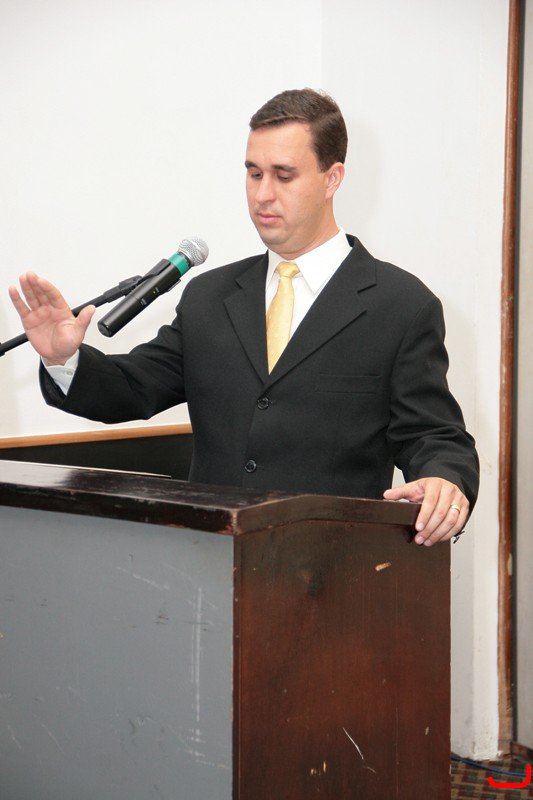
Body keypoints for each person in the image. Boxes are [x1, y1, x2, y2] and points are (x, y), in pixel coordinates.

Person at [9, 88, 479, 547]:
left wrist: (444, 481)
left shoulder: (401, 305)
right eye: (254, 174)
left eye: (283, 175)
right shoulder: (210, 296)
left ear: (332, 178)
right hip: (210, 561)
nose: (262, 195)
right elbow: (133, 387)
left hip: (333, 567)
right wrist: (63, 358)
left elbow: (433, 435)